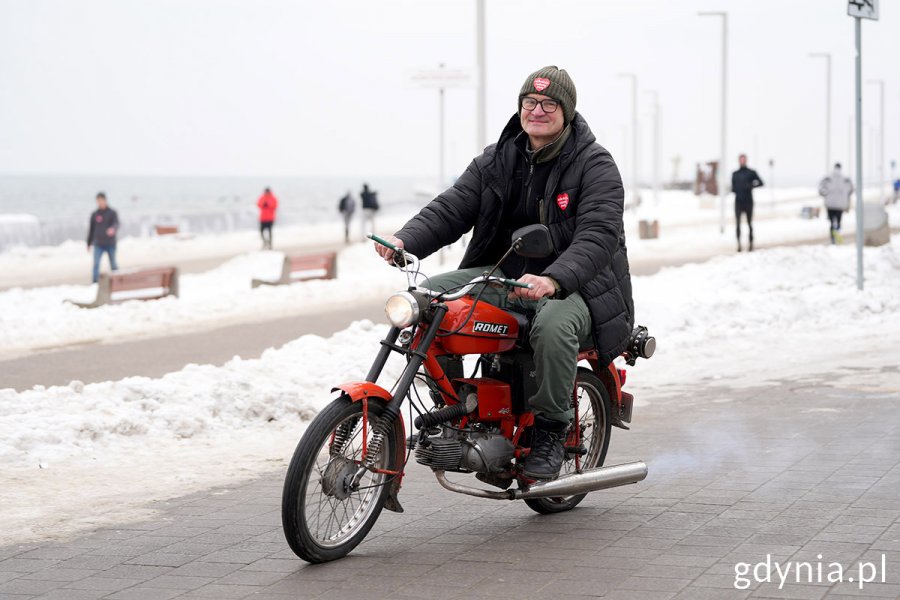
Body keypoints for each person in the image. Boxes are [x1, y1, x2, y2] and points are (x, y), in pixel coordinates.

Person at [374, 66, 633, 480]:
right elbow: (452, 206)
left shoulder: (594, 164)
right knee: (428, 301)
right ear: (520, 107)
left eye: (550, 104)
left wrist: (554, 279)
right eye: (530, 102)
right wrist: (407, 240)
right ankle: (455, 410)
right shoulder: (497, 159)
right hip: (506, 273)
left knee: (551, 325)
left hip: (578, 285)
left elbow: (598, 236)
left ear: (567, 111)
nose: (538, 111)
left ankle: (550, 430)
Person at [731, 154, 764, 252]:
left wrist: (751, 185)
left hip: (748, 201)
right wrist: (736, 189)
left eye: (743, 159)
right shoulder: (735, 174)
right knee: (737, 224)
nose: (742, 161)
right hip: (738, 202)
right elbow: (733, 188)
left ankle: (750, 245)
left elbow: (761, 183)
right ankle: (739, 245)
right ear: (738, 161)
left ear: (746, 160)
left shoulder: (751, 172)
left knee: (749, 224)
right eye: (741, 159)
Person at [86, 192, 119, 283]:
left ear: (105, 200)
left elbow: (116, 224)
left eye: (101, 200)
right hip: (98, 244)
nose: (100, 202)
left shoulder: (112, 212)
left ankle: (117, 282)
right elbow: (91, 229)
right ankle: (95, 283)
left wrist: (113, 229)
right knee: (96, 264)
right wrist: (88, 243)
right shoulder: (95, 214)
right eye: (98, 201)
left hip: (110, 243)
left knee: (113, 264)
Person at [818, 163, 853, 244]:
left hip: (830, 205)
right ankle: (837, 235)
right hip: (840, 205)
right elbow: (851, 190)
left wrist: (827, 194)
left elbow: (821, 190)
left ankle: (833, 238)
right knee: (838, 221)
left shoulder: (828, 178)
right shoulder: (845, 178)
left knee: (831, 222)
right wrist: (844, 198)